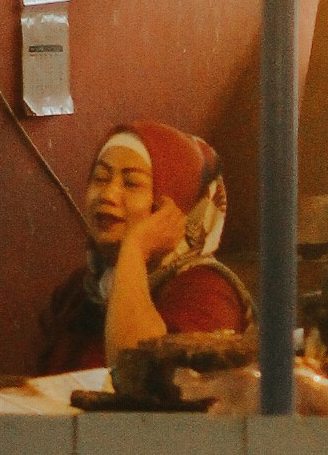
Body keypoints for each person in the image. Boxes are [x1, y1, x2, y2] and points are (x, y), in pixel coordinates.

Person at [32, 122, 249, 375]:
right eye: (100, 178)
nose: (108, 194)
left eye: (131, 183)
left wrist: (135, 249)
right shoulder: (78, 291)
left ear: (176, 206)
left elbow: (138, 377)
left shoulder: (206, 292)